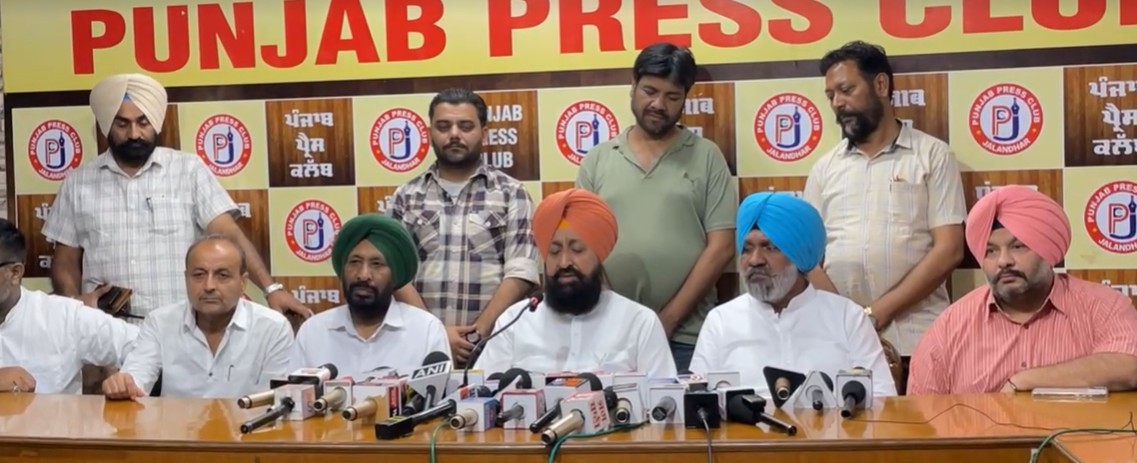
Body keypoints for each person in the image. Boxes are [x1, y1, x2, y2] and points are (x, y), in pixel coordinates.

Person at [42, 73, 311, 320]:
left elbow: (229, 234)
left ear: (156, 122)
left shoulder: (188, 170)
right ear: (106, 127)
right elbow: (65, 261)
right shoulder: (78, 182)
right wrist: (76, 305)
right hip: (106, 330)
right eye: (122, 124)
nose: (134, 134)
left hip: (180, 330)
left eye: (143, 122)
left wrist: (271, 289)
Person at [803, 41, 966, 390]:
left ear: (880, 85)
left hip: (917, 341)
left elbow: (950, 249)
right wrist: (849, 321)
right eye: (830, 95)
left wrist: (875, 315)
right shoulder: (824, 169)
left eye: (846, 90)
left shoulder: (933, 156)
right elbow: (808, 259)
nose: (837, 103)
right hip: (840, 344)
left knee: (920, 426)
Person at [575, 43, 736, 373]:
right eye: (650, 91)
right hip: (611, 337)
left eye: (672, 96)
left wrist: (668, 320)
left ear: (685, 98)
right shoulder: (598, 159)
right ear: (633, 86)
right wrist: (618, 318)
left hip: (687, 337)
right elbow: (582, 245)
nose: (659, 104)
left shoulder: (707, 156)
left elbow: (721, 247)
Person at [908, 186, 1137, 395]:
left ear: (1047, 250)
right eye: (990, 251)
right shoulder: (950, 326)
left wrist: (1026, 380)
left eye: (1018, 247)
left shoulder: (1103, 306)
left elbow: (1130, 366)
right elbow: (919, 415)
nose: (1003, 261)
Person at [690, 193, 896, 398]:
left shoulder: (847, 317)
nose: (755, 260)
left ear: (799, 253)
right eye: (746, 249)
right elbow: (696, 402)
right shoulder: (721, 321)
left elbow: (882, 398)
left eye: (770, 248)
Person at [387, 88, 538, 366]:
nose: (454, 134)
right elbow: (395, 273)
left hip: (495, 347)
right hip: (419, 350)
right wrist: (435, 334)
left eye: (465, 126)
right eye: (444, 126)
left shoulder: (512, 193)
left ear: (484, 132)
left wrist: (478, 333)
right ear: (430, 132)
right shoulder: (405, 196)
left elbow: (521, 271)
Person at [473, 189, 676, 378]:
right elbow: (480, 394)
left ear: (599, 255)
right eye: (554, 251)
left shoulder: (639, 323)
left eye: (577, 250)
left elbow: (664, 399)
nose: (564, 263)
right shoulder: (514, 322)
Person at [102, 235, 295, 399]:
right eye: (199, 275)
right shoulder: (160, 322)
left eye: (222, 275)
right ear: (186, 278)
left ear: (243, 282)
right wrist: (123, 385)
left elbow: (275, 401)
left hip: (248, 431)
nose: (209, 286)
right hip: (176, 431)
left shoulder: (273, 328)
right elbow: (136, 377)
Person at [295, 214, 451, 379]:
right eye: (355, 262)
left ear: (394, 274)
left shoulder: (426, 331)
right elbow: (292, 393)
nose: (363, 275)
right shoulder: (313, 332)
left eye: (377, 264)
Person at [0, 219, 138, 394]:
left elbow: (142, 345)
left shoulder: (62, 317)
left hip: (53, 413)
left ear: (15, 273)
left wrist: (128, 380)